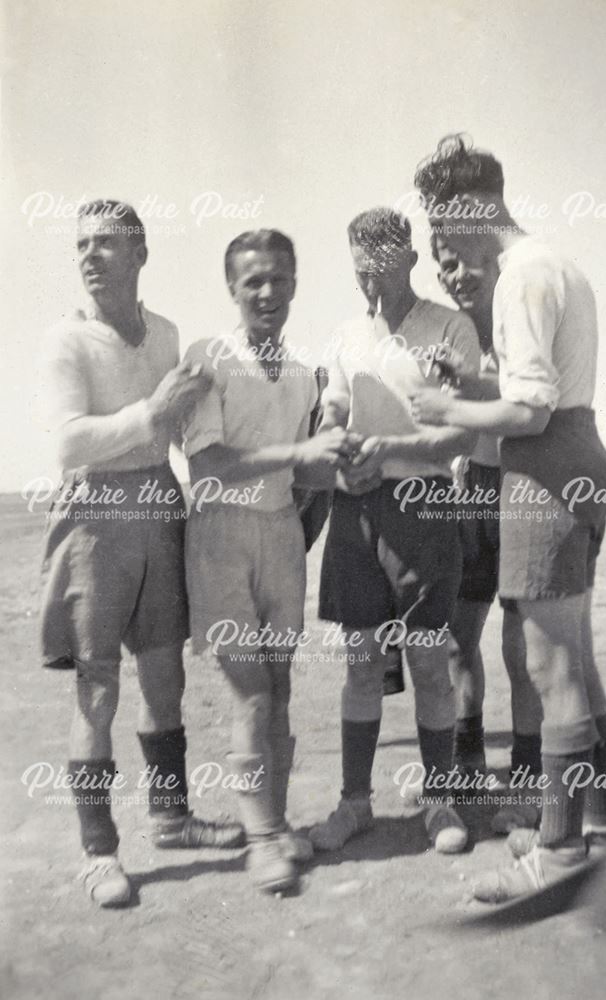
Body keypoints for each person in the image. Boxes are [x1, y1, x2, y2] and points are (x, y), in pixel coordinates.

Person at [412, 135, 606, 901]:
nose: (443, 237)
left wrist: (447, 403)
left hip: (546, 469)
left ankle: (558, 851)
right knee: (577, 658)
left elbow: (528, 411)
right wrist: (474, 378)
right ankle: (594, 818)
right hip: (581, 453)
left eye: (442, 217)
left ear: (468, 206)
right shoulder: (556, 263)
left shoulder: (517, 279)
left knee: (548, 665)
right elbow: (545, 384)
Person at [39, 200, 244, 908]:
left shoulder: (166, 335)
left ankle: (171, 817)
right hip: (94, 514)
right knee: (97, 689)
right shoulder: (68, 341)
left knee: (164, 678)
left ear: (140, 253)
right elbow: (68, 442)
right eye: (82, 246)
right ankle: (99, 855)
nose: (91, 256)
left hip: (159, 503)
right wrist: (153, 413)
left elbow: (186, 432)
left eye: (106, 244)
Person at [181, 229, 354, 894]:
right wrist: (296, 462)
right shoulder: (209, 357)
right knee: (251, 691)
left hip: (281, 535)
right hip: (221, 536)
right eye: (252, 279)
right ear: (231, 287)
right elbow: (207, 466)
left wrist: (296, 527)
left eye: (279, 278)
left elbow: (313, 482)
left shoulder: (307, 373)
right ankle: (259, 842)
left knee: (280, 689)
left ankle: (275, 825)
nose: (267, 292)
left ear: (295, 282)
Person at [309, 207, 481, 855]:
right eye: (358, 270)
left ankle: (439, 802)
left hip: (425, 508)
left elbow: (463, 432)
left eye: (379, 267)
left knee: (429, 664)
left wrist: (388, 450)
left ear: (409, 259)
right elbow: (331, 416)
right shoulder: (345, 335)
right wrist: (336, 444)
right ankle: (355, 801)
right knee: (359, 665)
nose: (369, 282)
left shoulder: (448, 328)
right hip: (357, 513)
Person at [433, 231, 544, 828]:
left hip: (527, 485)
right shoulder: (453, 330)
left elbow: (534, 399)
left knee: (521, 648)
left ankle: (526, 781)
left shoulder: (521, 309)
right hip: (475, 484)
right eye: (444, 266)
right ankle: (468, 759)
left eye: (463, 263)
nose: (455, 275)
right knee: (458, 638)